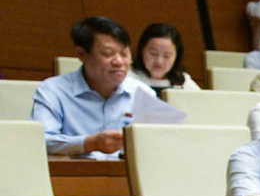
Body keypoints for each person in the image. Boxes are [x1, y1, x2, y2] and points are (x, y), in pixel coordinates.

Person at [34, 16, 152, 158]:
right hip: (74, 175)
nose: (119, 62)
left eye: (124, 54)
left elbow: (160, 143)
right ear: (81, 54)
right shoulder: (53, 91)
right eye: (108, 54)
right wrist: (89, 143)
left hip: (127, 176)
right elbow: (40, 141)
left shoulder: (143, 92)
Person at [133, 22, 196, 91]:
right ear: (142, 50)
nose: (159, 61)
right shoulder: (128, 78)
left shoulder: (184, 82)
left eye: (166, 56)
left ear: (176, 57)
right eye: (153, 54)